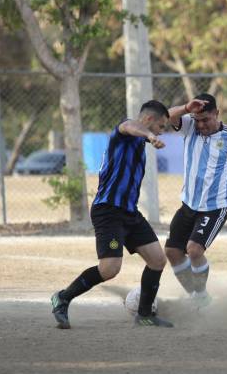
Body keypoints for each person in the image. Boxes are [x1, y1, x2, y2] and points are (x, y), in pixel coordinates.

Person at [50, 100, 174, 329]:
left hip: (129, 213)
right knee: (109, 269)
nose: (162, 131)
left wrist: (188, 108)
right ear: (148, 120)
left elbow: (165, 116)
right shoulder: (126, 130)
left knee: (157, 260)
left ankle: (145, 314)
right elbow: (130, 127)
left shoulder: (144, 133)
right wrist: (149, 135)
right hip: (108, 211)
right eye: (161, 126)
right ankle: (63, 298)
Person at [163, 93, 227, 301]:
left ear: (217, 113)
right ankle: (196, 297)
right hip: (188, 204)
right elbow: (166, 116)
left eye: (206, 119)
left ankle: (201, 296)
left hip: (215, 206)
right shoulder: (189, 126)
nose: (201, 125)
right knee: (172, 251)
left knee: (194, 250)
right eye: (198, 120)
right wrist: (187, 108)